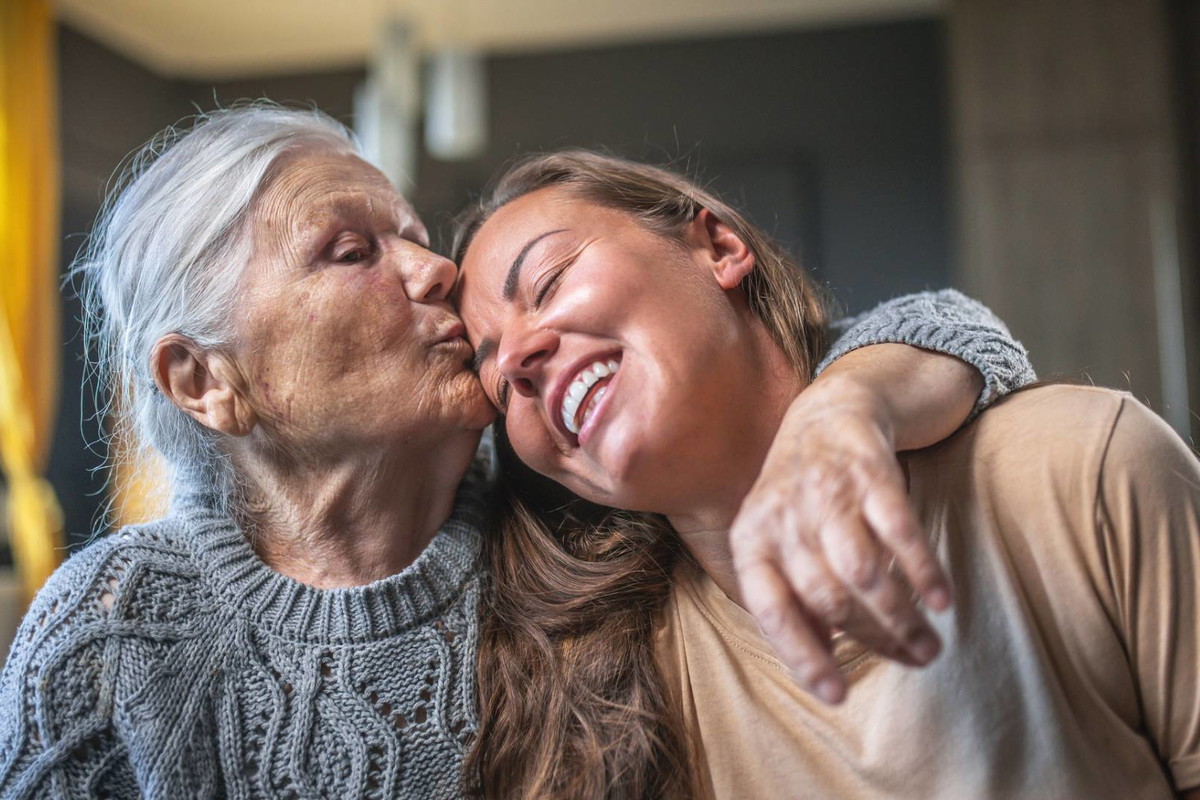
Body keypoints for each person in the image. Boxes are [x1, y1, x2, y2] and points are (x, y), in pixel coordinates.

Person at [0, 106, 1029, 798]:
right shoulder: (114, 631)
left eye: (414, 233)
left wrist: (840, 409)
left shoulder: (583, 509)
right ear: (203, 382)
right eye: (352, 251)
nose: (439, 269)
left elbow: (957, 333)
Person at [453, 150, 1200, 799]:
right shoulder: (593, 699)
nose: (515, 359)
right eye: (493, 381)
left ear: (717, 245)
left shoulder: (1082, 466)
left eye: (548, 280)